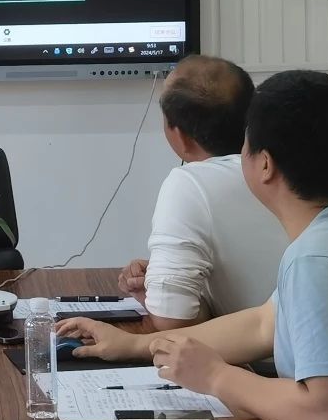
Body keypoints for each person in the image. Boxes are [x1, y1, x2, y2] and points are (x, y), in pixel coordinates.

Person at [59, 70, 328, 420]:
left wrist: (216, 376)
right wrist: (136, 346)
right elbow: (263, 324)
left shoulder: (319, 259)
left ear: (264, 164)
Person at [117, 55, 289, 330]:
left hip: (261, 354)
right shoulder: (288, 166)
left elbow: (173, 321)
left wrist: (162, 296)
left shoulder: (189, 183)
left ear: (180, 135)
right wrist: (169, 281)